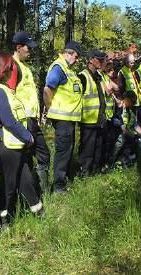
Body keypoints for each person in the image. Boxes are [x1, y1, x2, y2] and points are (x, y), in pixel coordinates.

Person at [0, 52, 43, 228]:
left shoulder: (4, 89)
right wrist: (28, 137)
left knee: (25, 178)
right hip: (7, 145)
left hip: (15, 143)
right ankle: (1, 220)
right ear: (4, 69)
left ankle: (38, 211)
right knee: (8, 183)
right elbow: (8, 120)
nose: (14, 70)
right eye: (11, 67)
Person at [12, 31, 51, 193]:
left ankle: (42, 190)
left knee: (43, 153)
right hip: (21, 120)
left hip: (32, 120)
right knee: (26, 158)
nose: (31, 51)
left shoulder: (25, 66)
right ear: (19, 47)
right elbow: (10, 94)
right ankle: (30, 193)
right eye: (29, 48)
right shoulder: (12, 66)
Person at [43, 41, 83, 194]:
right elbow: (47, 90)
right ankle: (58, 186)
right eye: (76, 57)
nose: (77, 60)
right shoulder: (58, 67)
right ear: (68, 53)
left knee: (68, 150)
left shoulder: (67, 69)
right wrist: (50, 109)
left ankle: (63, 180)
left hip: (69, 119)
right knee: (63, 151)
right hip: (62, 119)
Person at [77, 49, 107, 176]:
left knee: (98, 148)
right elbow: (77, 99)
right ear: (90, 60)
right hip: (88, 121)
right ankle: (83, 174)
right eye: (98, 59)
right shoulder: (82, 76)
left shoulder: (98, 77)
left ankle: (94, 172)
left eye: (102, 59)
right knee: (87, 150)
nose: (101, 62)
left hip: (99, 120)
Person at [111, 91, 141, 167]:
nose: (133, 104)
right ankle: (111, 161)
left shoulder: (130, 111)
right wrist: (124, 129)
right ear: (126, 99)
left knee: (138, 141)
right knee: (121, 141)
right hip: (115, 132)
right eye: (132, 101)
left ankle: (127, 160)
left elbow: (135, 125)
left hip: (126, 132)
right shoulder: (118, 108)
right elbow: (115, 120)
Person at [118, 54, 141, 142]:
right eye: (131, 62)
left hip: (139, 101)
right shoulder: (122, 72)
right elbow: (120, 87)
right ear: (126, 62)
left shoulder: (134, 71)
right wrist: (124, 100)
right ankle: (131, 142)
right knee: (132, 124)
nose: (132, 64)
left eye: (133, 62)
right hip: (129, 102)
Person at [99, 57, 120, 170]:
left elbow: (117, 87)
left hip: (110, 114)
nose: (113, 72)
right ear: (106, 70)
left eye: (113, 70)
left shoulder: (108, 79)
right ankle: (102, 164)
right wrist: (112, 88)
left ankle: (108, 162)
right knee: (104, 141)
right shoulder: (102, 78)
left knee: (110, 140)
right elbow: (108, 91)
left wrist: (113, 87)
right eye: (110, 70)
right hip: (105, 115)